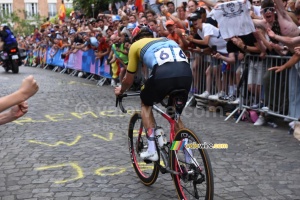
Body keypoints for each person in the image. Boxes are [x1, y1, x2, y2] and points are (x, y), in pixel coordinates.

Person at [114, 25, 192, 161]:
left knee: (146, 103)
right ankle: (187, 154)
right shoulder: (167, 40)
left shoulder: (136, 45)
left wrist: (121, 90)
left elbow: (129, 79)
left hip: (163, 75)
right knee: (174, 113)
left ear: (135, 38)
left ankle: (152, 150)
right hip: (186, 74)